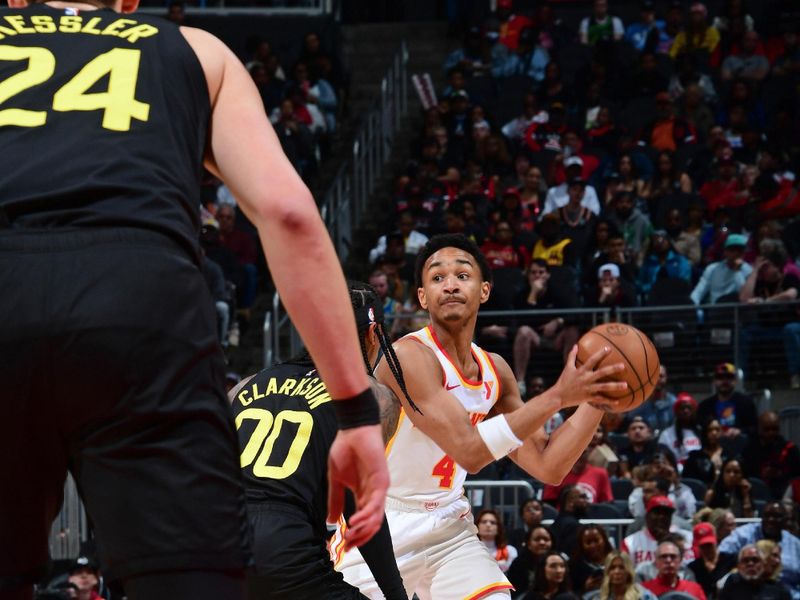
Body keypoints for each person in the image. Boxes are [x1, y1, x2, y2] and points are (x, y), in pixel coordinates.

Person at [0, 1, 390, 599]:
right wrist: (356, 413)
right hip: (141, 302)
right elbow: (287, 214)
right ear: (130, 2)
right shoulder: (196, 51)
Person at [334, 234, 628, 599]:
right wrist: (558, 396)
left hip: (450, 525)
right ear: (423, 297)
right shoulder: (408, 357)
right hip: (381, 521)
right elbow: (470, 453)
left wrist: (596, 396)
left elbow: (549, 466)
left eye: (462, 274)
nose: (451, 284)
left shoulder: (496, 370)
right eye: (437, 278)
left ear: (484, 290)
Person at [233, 281, 406, 600]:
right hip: (283, 543)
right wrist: (397, 595)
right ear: (372, 336)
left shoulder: (244, 386)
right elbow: (360, 512)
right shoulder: (369, 397)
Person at [718, 503, 800, 598]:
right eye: (767, 515)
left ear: (785, 520)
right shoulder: (743, 535)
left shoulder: (796, 545)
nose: (771, 519)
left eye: (776, 516)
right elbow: (721, 557)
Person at [741, 411, 800, 502]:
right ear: (759, 429)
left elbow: (797, 478)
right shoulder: (749, 449)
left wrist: (780, 474)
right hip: (756, 496)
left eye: (775, 429)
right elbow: (744, 475)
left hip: (782, 497)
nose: (771, 433)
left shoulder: (790, 449)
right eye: (767, 429)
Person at [622, 496, 695, 567]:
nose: (661, 517)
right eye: (657, 513)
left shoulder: (689, 539)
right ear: (647, 516)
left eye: (666, 513)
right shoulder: (630, 543)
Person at [697, 362, 757, 439]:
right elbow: (700, 430)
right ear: (714, 381)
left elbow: (754, 428)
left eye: (729, 377)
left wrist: (740, 431)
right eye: (720, 377)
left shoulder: (747, 403)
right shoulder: (705, 406)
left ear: (735, 380)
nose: (725, 381)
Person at [691, 234, 754, 304]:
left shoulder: (748, 270)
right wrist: (693, 308)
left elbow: (744, 295)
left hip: (738, 311)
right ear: (725, 251)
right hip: (717, 310)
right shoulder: (712, 269)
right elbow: (698, 293)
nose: (736, 253)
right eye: (732, 250)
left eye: (740, 250)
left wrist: (737, 271)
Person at [718, 545, 791, 600]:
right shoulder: (732, 585)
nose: (750, 564)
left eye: (755, 560)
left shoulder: (778, 589)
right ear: (739, 566)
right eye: (745, 560)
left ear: (764, 564)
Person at [641, 541, 707, 599]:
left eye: (673, 556)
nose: (668, 560)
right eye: (663, 556)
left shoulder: (694, 589)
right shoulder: (645, 590)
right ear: (656, 561)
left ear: (680, 560)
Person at [626, 366, 677, 434]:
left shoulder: (674, 402)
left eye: (661, 376)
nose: (658, 379)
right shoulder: (638, 402)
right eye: (654, 376)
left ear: (666, 378)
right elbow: (629, 423)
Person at [585, 551, 657, 600]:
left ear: (628, 571)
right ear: (607, 572)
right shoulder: (596, 597)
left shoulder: (643, 595)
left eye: (621, 567)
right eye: (612, 568)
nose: (617, 572)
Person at [688, 522, 733, 598]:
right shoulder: (693, 567)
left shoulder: (731, 560)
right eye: (703, 546)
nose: (707, 549)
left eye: (709, 544)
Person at [657, 393, 702, 470]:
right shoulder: (666, 434)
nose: (685, 411)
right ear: (676, 411)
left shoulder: (702, 431)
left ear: (694, 410)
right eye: (682, 408)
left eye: (689, 408)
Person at [507, 526, 554, 597]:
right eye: (537, 539)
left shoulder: (558, 561)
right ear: (528, 544)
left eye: (546, 539)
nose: (542, 542)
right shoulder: (519, 564)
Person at [569, 525, 613, 595]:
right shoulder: (574, 566)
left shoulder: (615, 561)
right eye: (588, 542)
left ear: (604, 540)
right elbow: (570, 593)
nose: (593, 545)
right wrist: (585, 588)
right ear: (581, 544)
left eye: (596, 540)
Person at [549, 485, 589, 558]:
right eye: (582, 497)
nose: (587, 501)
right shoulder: (573, 526)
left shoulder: (558, 521)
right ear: (570, 501)